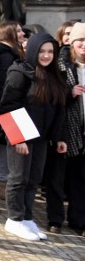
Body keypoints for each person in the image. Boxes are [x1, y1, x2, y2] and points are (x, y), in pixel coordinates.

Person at [0, 32, 68, 240]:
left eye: (50, 52)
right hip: (21, 137)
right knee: (18, 178)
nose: (46, 56)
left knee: (34, 179)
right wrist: (18, 138)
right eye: (42, 51)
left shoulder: (55, 75)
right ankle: (14, 219)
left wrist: (59, 137)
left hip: (41, 139)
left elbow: (59, 109)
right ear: (33, 51)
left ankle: (27, 218)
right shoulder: (20, 72)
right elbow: (8, 106)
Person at [0, 21, 26, 200]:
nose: (22, 33)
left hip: (0, 105)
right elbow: (4, 84)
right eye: (18, 31)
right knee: (3, 143)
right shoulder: (7, 55)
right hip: (4, 106)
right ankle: (0, 183)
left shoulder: (7, 52)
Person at [56, 23, 85, 235]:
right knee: (59, 178)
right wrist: (69, 92)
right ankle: (55, 219)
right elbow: (52, 97)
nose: (84, 45)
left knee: (81, 178)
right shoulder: (62, 66)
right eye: (80, 41)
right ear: (72, 43)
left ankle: (79, 220)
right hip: (66, 130)